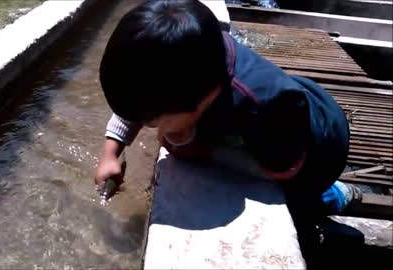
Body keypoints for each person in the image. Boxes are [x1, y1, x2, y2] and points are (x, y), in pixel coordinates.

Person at [94, 0, 361, 263]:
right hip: (281, 117)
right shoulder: (194, 60)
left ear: (204, 98)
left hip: (314, 148)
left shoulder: (262, 106)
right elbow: (138, 101)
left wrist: (206, 153)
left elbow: (282, 169)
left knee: (295, 201)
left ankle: (331, 197)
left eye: (153, 121)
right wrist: (111, 152)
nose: (149, 125)